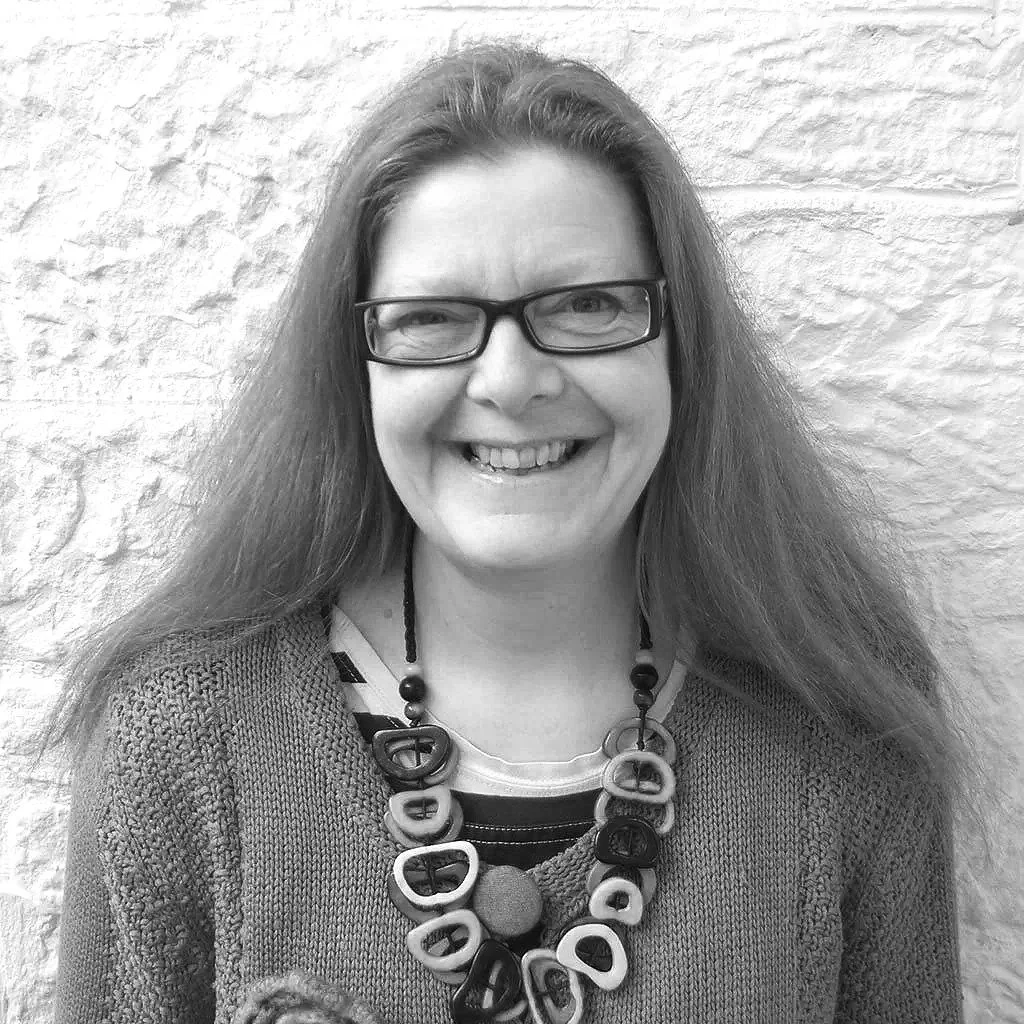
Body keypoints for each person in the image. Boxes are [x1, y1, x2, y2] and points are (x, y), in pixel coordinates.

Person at [50, 41, 966, 1023]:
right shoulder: (184, 736)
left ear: (679, 344)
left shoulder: (843, 723)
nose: (509, 380)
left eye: (586, 305)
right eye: (432, 317)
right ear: (353, 365)